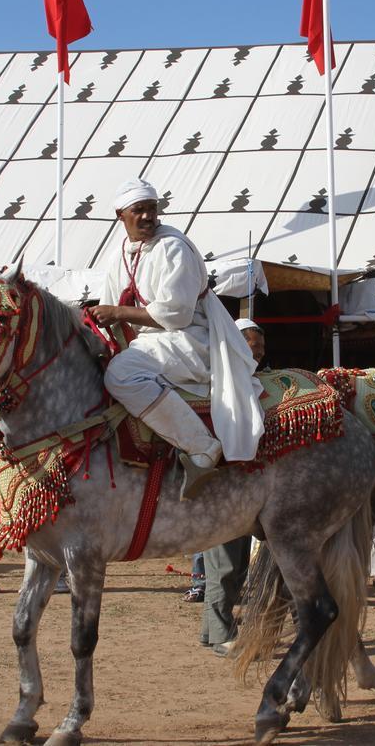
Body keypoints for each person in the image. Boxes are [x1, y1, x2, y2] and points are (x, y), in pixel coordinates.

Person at [85, 178, 263, 500]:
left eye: (152, 209)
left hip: (189, 337)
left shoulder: (173, 246)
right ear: (119, 215)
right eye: (138, 210)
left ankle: (202, 447)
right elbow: (111, 313)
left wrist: (118, 313)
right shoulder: (118, 257)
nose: (148, 217)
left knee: (122, 373)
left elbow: (176, 315)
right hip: (150, 343)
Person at [200, 317, 267, 655]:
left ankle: (212, 630)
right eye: (253, 347)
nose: (259, 355)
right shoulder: (223, 386)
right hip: (223, 489)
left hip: (246, 492)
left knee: (235, 566)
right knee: (224, 566)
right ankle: (221, 634)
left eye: (262, 349)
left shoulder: (250, 384)